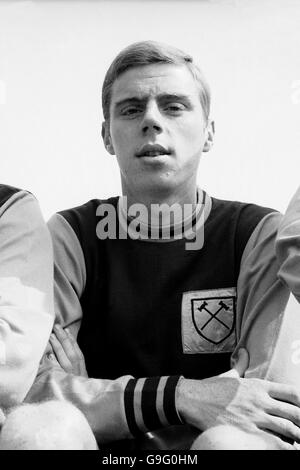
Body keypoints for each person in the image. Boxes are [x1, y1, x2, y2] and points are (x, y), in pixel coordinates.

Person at [26, 42, 300, 450]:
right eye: (132, 109)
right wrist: (185, 396)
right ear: (106, 135)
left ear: (209, 133)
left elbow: (260, 402)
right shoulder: (71, 236)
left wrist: (96, 395)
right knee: (42, 430)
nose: (152, 120)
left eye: (173, 106)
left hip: (213, 446)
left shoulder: (256, 234)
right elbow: (38, 391)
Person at [0, 184, 97, 450]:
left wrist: (84, 394)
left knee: (48, 431)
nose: (154, 138)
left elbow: (13, 362)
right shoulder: (73, 230)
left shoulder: (9, 207)